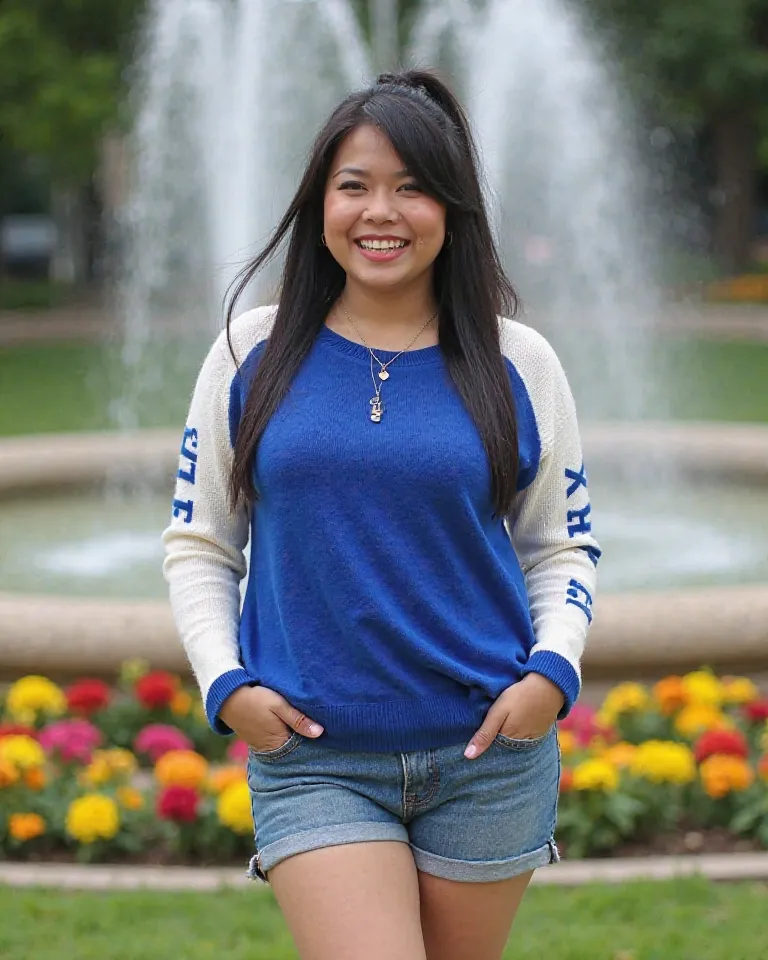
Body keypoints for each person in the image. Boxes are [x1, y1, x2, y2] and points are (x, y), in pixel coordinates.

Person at [163, 69, 600, 960]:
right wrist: (227, 686)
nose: (381, 212)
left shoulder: (520, 362)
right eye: (355, 185)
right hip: (317, 757)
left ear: (453, 209)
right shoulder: (252, 350)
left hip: (488, 757)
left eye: (412, 187)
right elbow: (201, 542)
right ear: (320, 202)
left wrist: (550, 676)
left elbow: (561, 546)